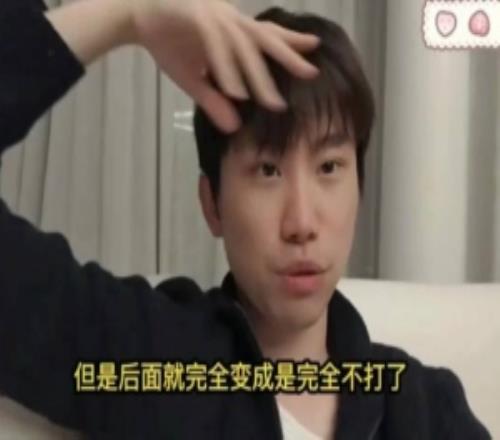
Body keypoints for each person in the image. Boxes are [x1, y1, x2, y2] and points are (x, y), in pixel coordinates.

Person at [0, 0, 491, 439]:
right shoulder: (152, 362)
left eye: (328, 167)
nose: (302, 222)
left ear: (359, 189)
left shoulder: (421, 408)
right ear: (212, 203)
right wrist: (122, 16)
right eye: (268, 170)